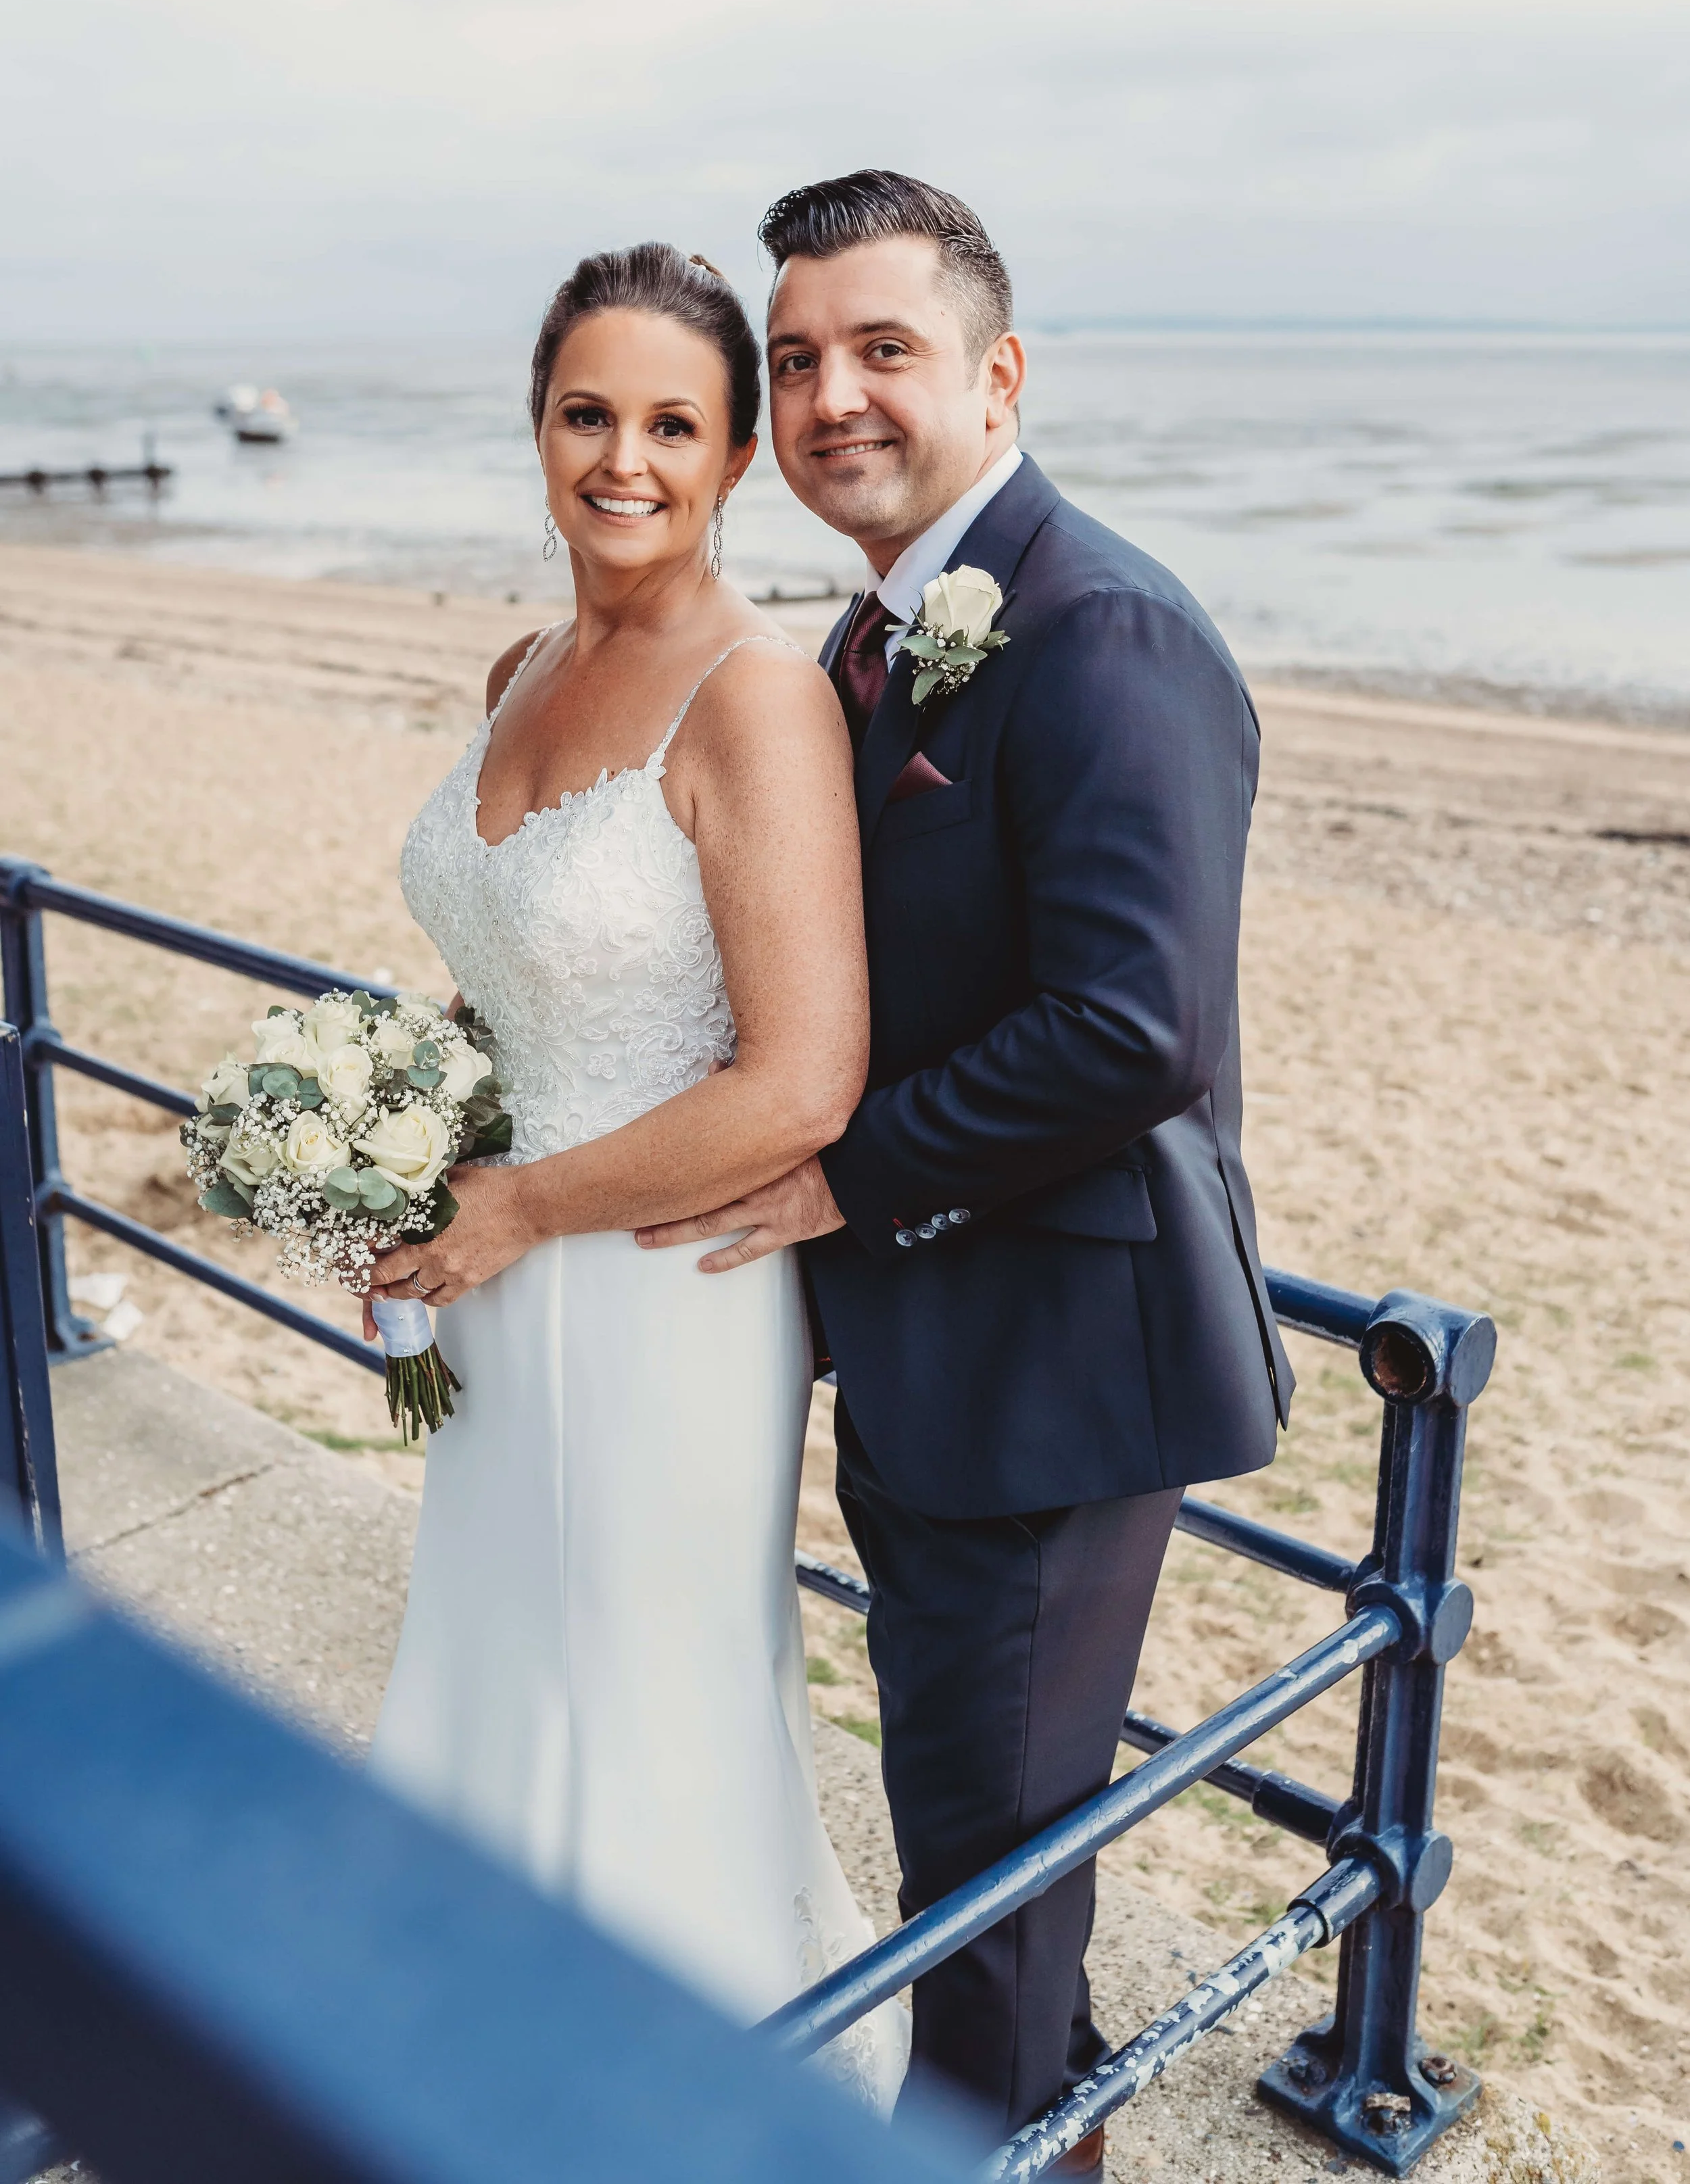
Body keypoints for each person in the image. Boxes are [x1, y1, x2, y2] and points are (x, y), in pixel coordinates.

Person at [635, 172, 1294, 2163]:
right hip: (942, 1348)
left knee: (991, 1874)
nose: (832, 393)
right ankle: (1052, 2132)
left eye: (883, 349)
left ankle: (986, 2144)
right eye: (799, 357)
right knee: (979, 1833)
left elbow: (1132, 1028)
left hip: (1050, 1366)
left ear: (995, 374)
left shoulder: (1099, 632)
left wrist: (841, 1178)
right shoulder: (882, 631)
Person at [364, 241, 907, 2112]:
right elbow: (505, 970)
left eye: (674, 422)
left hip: (659, 1290)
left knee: (648, 1683)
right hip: (496, 1284)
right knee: (501, 1637)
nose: (626, 457)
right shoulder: (519, 666)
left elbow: (803, 1076)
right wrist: (400, 1124)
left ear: (737, 456)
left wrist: (511, 1203)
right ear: (535, 426)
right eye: (588, 412)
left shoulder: (757, 698)